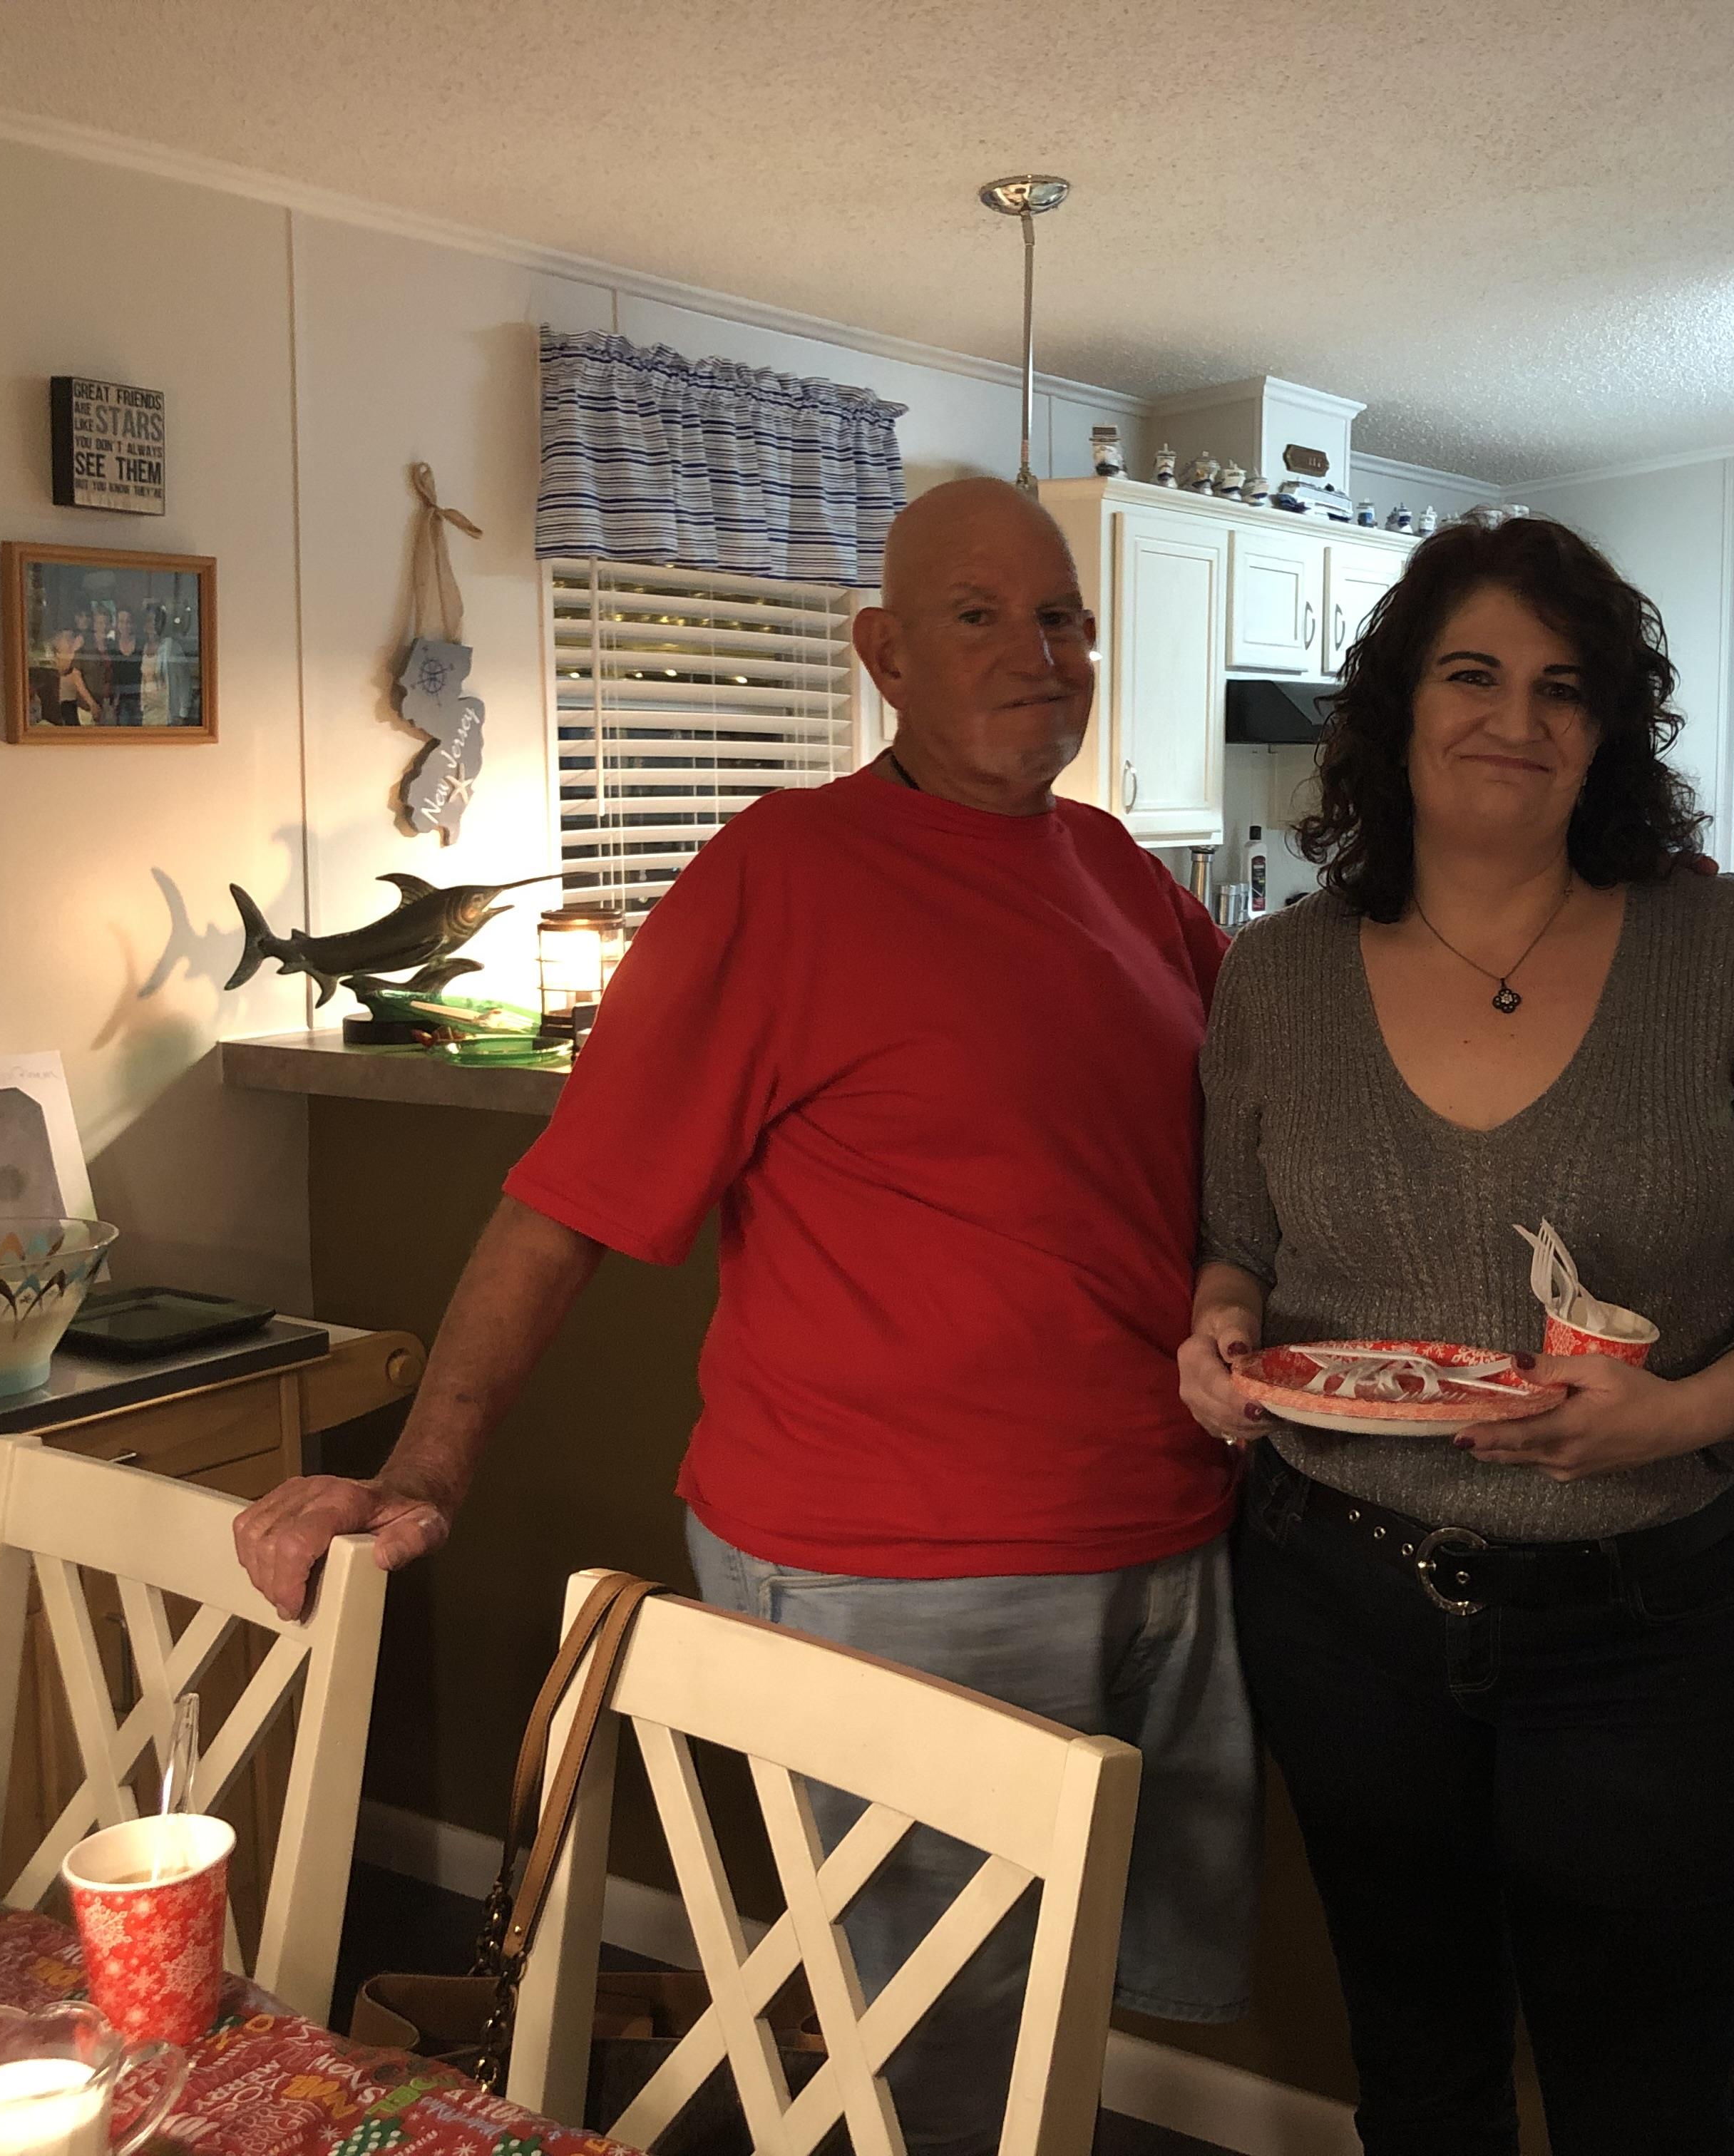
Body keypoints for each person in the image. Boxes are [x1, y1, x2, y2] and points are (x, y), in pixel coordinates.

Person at [234, 477, 1255, 2155]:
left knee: (1057, 2017)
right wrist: (427, 1467)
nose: (1042, 651)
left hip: (1159, 1536)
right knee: (923, 2058)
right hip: (900, 1566)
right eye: (983, 615)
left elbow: (1256, 1124)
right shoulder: (781, 872)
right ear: (884, 657)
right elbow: (569, 1198)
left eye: (1063, 615)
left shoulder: (1122, 875)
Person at [1176, 514, 1734, 2156]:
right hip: (1339, 1600)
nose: (1519, 716)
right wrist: (1218, 1334)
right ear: (1396, 709)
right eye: (1474, 672)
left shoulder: (1720, 945)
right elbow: (1238, 1248)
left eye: (1565, 686)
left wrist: (1684, 1412)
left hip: (1647, 1624)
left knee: (1647, 2095)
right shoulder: (1274, 977)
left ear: (1608, 730)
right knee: (1418, 2077)